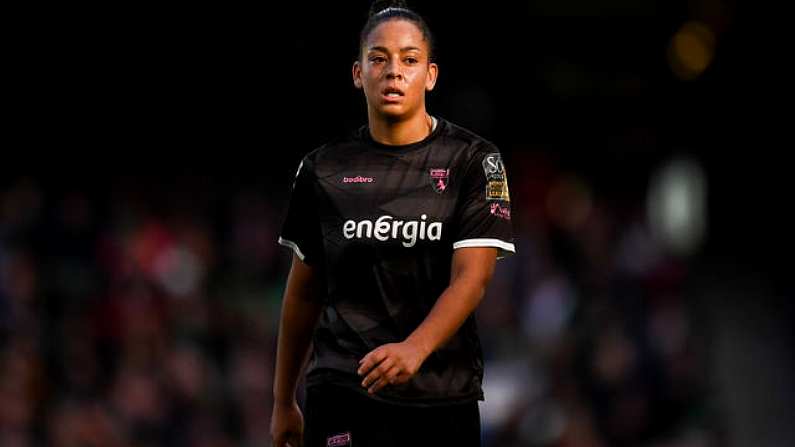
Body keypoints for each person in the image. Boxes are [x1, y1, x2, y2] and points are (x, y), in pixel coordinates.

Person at [270, 1, 516, 446]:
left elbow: (472, 278)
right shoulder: (321, 170)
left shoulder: (475, 161)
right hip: (343, 389)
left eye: (409, 59)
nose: (394, 71)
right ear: (358, 73)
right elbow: (304, 289)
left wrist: (415, 349)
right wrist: (282, 399)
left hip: (441, 397)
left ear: (431, 75)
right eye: (378, 59)